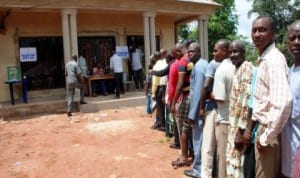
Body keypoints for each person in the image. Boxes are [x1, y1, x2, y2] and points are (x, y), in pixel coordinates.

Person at [248, 15, 292, 178]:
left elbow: (283, 103)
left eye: (263, 30)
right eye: (254, 30)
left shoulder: (274, 60)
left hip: (268, 131)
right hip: (263, 129)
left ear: (273, 34)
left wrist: (266, 137)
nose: (257, 34)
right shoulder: (265, 59)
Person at [226, 40, 254, 178]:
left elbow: (247, 102)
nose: (232, 55)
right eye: (230, 52)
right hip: (234, 126)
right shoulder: (238, 69)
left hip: (239, 129)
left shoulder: (247, 69)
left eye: (235, 51)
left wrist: (241, 131)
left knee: (239, 164)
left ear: (243, 53)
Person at [183, 42, 208, 178]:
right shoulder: (203, 64)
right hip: (203, 109)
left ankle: (198, 170)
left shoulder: (198, 68)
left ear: (199, 51)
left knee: (199, 140)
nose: (189, 54)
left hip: (199, 111)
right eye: (188, 52)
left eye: (192, 51)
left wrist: (192, 115)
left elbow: (197, 92)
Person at [212, 39, 235, 178]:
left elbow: (220, 98)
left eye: (216, 50)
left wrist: (210, 94)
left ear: (225, 52)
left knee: (223, 159)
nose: (214, 53)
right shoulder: (239, 66)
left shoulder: (221, 70)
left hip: (225, 120)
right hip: (237, 120)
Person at [281, 20, 300, 178]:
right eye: (292, 38)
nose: (296, 42)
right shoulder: (289, 72)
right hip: (289, 156)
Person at [151, 51, 168, 131]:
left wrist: (153, 93)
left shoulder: (156, 66)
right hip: (166, 87)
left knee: (160, 107)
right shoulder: (165, 63)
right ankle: (158, 123)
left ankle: (162, 124)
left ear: (155, 58)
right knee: (162, 107)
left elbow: (154, 82)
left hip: (159, 88)